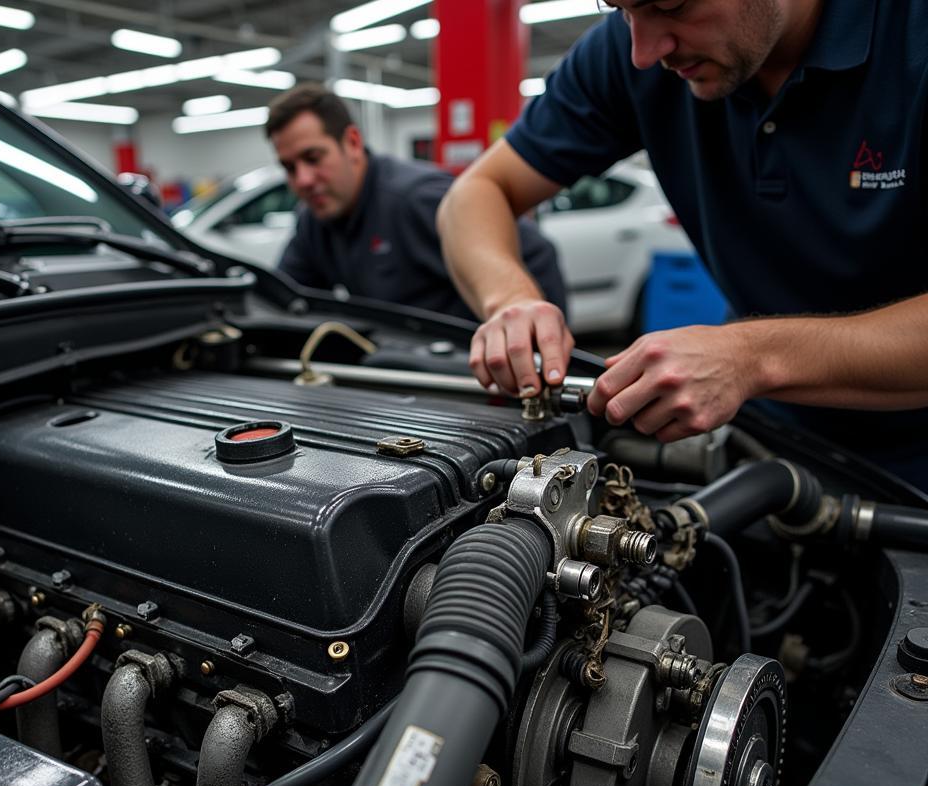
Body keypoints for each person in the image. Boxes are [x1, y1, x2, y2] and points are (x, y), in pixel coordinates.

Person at [438, 0, 928, 487]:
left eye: (671, 5)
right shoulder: (623, 53)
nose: (644, 53)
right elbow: (475, 194)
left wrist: (749, 357)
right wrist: (511, 300)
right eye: (623, 10)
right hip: (777, 450)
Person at [266, 83, 566, 322]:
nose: (303, 180)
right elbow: (285, 298)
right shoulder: (314, 220)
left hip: (463, 381)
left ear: (353, 143)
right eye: (289, 168)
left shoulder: (415, 200)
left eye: (313, 158)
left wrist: (532, 353)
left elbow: (537, 254)